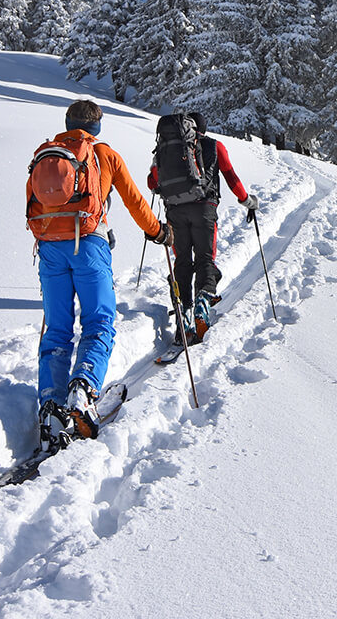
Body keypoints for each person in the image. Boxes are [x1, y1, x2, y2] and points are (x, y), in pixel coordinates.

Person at [29, 99, 172, 450]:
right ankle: (82, 391)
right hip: (89, 246)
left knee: (58, 329)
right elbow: (135, 201)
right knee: (98, 323)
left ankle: (50, 404)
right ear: (97, 128)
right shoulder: (104, 155)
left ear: (67, 121)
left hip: (48, 248)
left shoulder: (47, 152)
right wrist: (158, 232)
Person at [148, 111, 258, 343]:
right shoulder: (213, 146)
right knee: (206, 258)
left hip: (175, 210)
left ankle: (183, 311)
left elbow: (152, 181)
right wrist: (247, 200)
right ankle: (202, 301)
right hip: (205, 208)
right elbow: (231, 176)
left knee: (182, 262)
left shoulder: (168, 147)